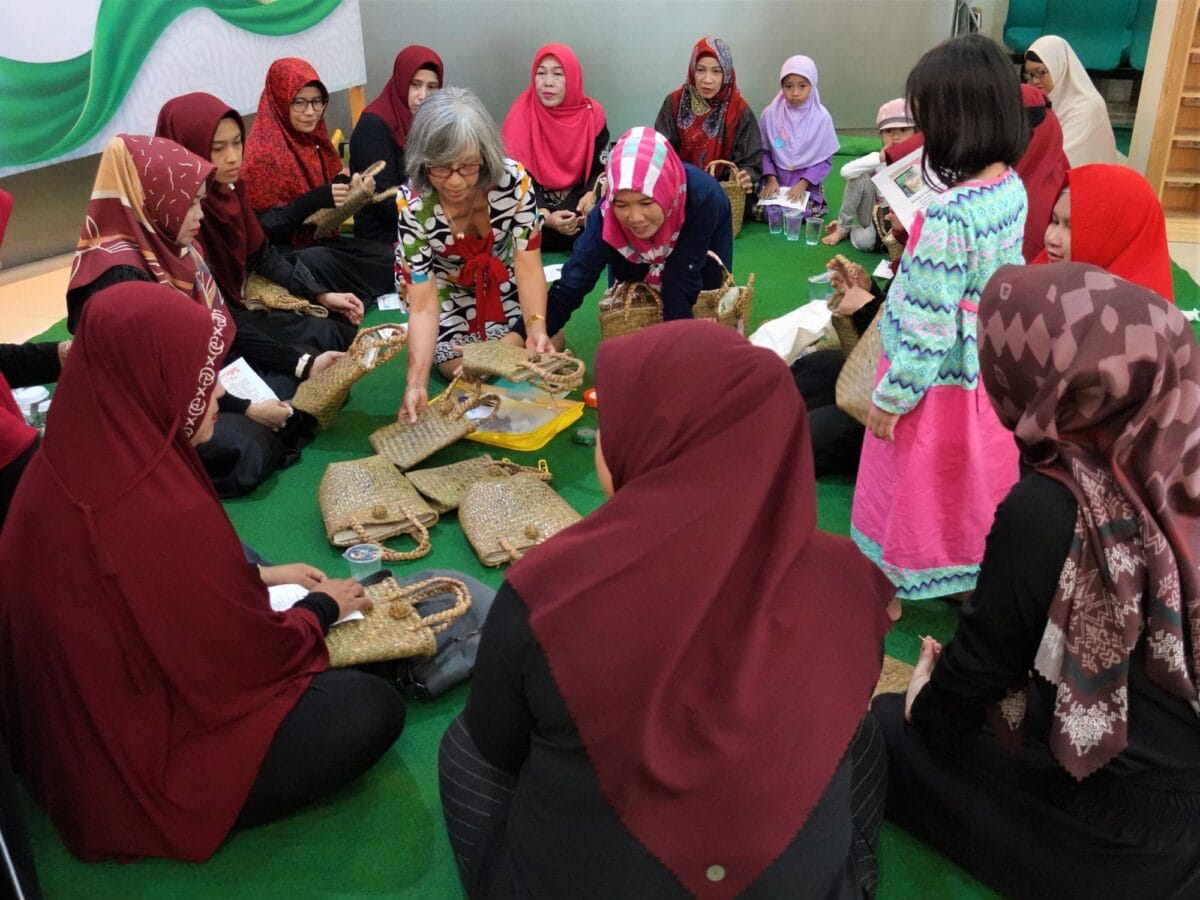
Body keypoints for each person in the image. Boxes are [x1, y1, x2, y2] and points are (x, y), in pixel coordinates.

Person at [439, 320, 895, 899]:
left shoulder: (549, 589)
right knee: (858, 736)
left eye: (614, 420)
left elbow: (496, 745)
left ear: (658, 439)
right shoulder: (850, 576)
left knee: (463, 749)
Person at [0, 282, 407, 862]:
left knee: (258, 566)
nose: (215, 392)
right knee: (369, 708)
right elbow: (244, 660)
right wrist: (321, 611)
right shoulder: (150, 503)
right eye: (199, 377)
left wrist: (262, 580)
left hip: (71, 736)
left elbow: (144, 593)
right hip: (133, 763)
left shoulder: (77, 452)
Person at [873, 262, 1200, 898]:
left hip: (1125, 834)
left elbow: (978, 673)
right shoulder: (1181, 456)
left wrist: (924, 703)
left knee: (887, 728)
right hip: (1182, 788)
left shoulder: (1052, 508)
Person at [851, 34, 1029, 601]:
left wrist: (892, 397)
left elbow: (927, 326)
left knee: (910, 482)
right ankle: (967, 569)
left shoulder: (952, 214)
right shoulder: (1010, 187)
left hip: (930, 384)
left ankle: (895, 583)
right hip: (982, 371)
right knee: (968, 479)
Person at [65, 134, 336, 497]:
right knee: (248, 446)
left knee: (297, 381)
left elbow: (225, 326)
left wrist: (302, 364)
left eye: (199, 203)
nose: (198, 215)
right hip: (144, 412)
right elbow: (150, 382)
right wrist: (246, 409)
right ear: (154, 199)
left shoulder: (177, 247)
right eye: (188, 204)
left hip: (198, 383)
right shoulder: (119, 274)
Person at [156, 92, 361, 352]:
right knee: (318, 344)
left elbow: (261, 254)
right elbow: (213, 311)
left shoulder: (230, 189)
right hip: (212, 328)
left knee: (338, 324)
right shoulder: (177, 212)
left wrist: (321, 294)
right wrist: (299, 363)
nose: (232, 157)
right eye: (217, 148)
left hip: (240, 303)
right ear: (186, 148)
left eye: (237, 142)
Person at [395, 87, 550, 419]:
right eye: (440, 168)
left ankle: (507, 345)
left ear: (485, 155)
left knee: (551, 337)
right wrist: (415, 384)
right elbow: (423, 306)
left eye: (467, 167)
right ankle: (505, 348)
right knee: (460, 367)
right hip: (446, 289)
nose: (454, 181)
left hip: (501, 278)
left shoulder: (515, 183)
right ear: (423, 162)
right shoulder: (413, 206)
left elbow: (527, 268)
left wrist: (535, 329)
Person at [513, 127, 733, 346]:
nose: (635, 217)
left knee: (706, 294)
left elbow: (682, 275)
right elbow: (574, 281)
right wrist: (526, 335)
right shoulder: (606, 217)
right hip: (637, 251)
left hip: (697, 237)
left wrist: (676, 349)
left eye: (646, 202)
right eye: (622, 204)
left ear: (666, 191)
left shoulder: (701, 196)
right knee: (627, 297)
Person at [241, 57, 395, 300]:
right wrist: (312, 200)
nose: (311, 112)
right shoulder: (263, 154)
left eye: (317, 101)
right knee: (321, 262)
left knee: (390, 259)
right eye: (299, 102)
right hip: (284, 257)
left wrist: (350, 188)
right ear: (280, 100)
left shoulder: (314, 140)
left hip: (320, 240)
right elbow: (259, 230)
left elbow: (325, 196)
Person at [501, 44, 609, 252]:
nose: (548, 83)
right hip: (533, 210)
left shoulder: (592, 115)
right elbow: (515, 175)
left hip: (579, 208)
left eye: (558, 74)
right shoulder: (520, 115)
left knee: (604, 215)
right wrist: (546, 216)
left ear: (573, 78)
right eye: (541, 73)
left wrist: (590, 196)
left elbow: (601, 166)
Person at [1036, 163, 1174, 301]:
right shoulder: (1040, 276)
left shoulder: (1139, 313)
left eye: (1072, 227)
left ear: (1116, 238)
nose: (1052, 239)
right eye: (1054, 221)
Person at [349, 45, 443, 244]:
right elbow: (385, 202)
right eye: (415, 84)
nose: (423, 95)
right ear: (401, 82)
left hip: (423, 228)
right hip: (383, 240)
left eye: (431, 87)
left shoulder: (431, 124)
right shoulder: (374, 125)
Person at [654, 36, 762, 194]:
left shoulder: (738, 110)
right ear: (692, 70)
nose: (707, 79)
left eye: (716, 71)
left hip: (724, 193)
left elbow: (751, 160)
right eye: (700, 70)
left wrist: (746, 176)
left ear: (726, 73)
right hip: (681, 189)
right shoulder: (675, 102)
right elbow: (661, 150)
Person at [822, 99, 915, 248]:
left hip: (909, 221)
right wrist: (880, 158)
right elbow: (846, 172)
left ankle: (857, 231)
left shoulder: (920, 159)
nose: (896, 137)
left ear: (915, 133)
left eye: (903, 130)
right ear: (881, 135)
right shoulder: (877, 159)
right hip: (878, 219)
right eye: (889, 131)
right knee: (864, 242)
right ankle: (844, 228)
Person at [757, 55, 840, 222]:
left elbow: (823, 160)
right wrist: (772, 179)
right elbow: (764, 151)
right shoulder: (771, 114)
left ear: (812, 85)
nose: (795, 92)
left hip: (806, 182)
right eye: (788, 86)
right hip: (777, 179)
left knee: (807, 211)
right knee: (762, 211)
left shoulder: (821, 117)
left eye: (802, 86)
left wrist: (802, 185)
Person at [1024, 35, 1121, 167]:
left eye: (1040, 72)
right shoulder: (1039, 100)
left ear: (1060, 67)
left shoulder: (1087, 107)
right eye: (1029, 75)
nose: (1034, 81)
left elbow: (1062, 158)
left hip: (1081, 180)